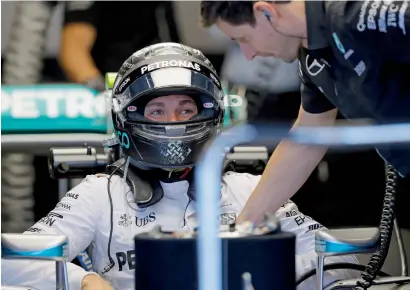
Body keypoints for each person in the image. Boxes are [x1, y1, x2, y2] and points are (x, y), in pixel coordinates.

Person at [2, 43, 358, 290]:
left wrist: (268, 271)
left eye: (185, 110)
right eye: (157, 111)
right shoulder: (100, 194)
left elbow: (337, 264)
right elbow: (11, 262)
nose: (172, 122)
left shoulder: (252, 191)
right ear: (128, 118)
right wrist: (81, 279)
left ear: (210, 114)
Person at [200, 1, 410, 225]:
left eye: (243, 39)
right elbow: (306, 141)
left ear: (265, 12)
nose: (249, 54)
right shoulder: (313, 60)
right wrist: (242, 228)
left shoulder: (356, 15)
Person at [59, 1, 180, 91]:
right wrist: (107, 94)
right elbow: (73, 54)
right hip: (111, 91)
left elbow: (170, 44)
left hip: (158, 87)